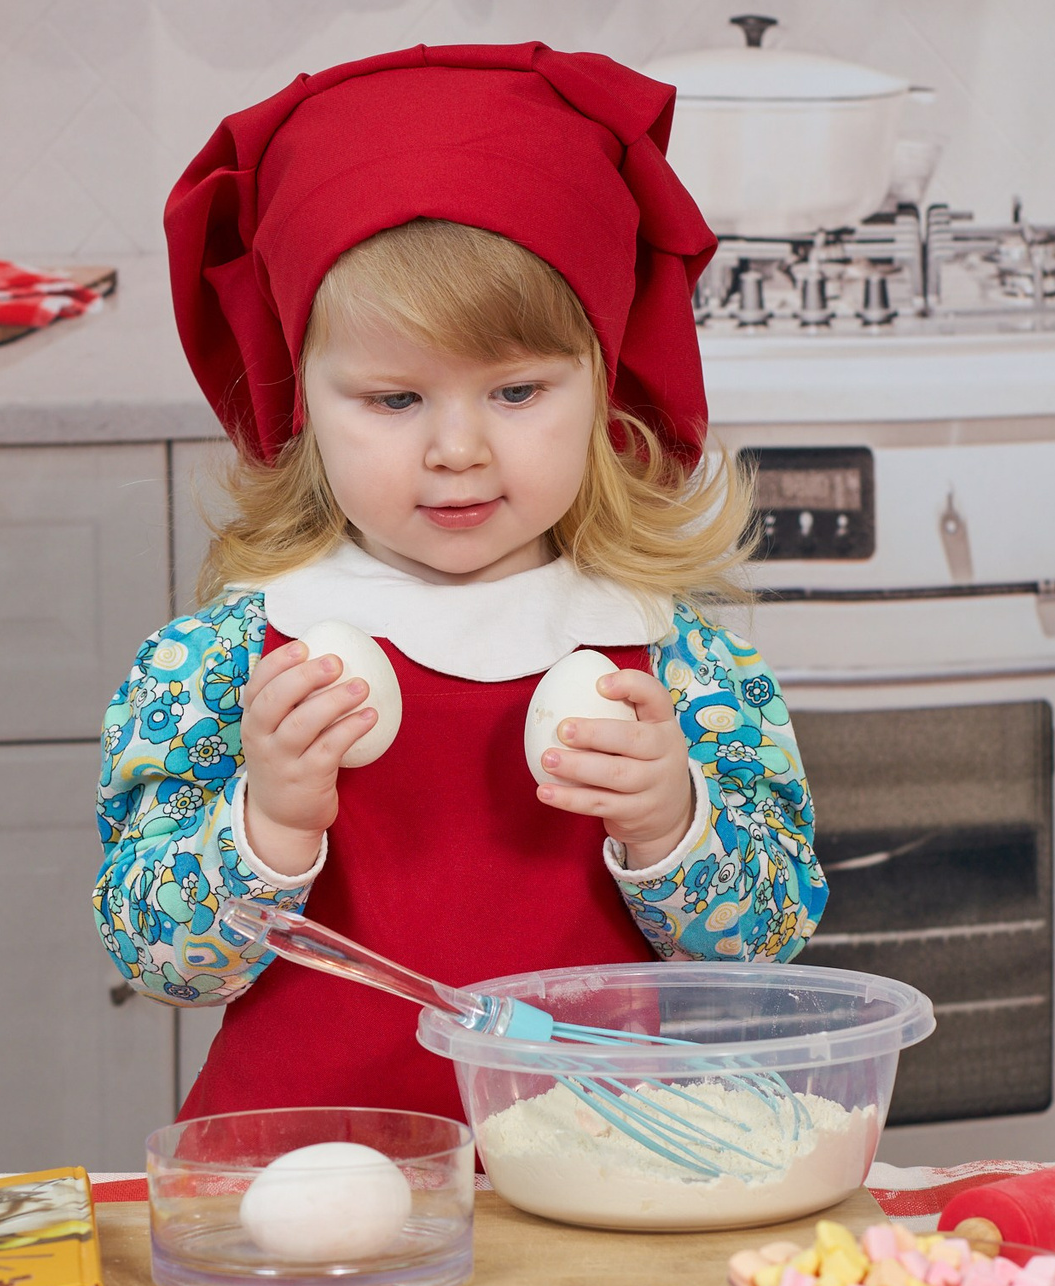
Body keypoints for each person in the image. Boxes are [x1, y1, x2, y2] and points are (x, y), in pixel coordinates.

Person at [94, 41, 828, 1125]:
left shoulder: (676, 661)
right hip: (300, 1178)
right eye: (394, 400)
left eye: (518, 390)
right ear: (303, 403)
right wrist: (270, 822)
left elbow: (770, 939)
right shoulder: (225, 659)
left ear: (603, 389)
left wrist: (673, 820)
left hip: (596, 1176)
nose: (458, 448)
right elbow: (159, 961)